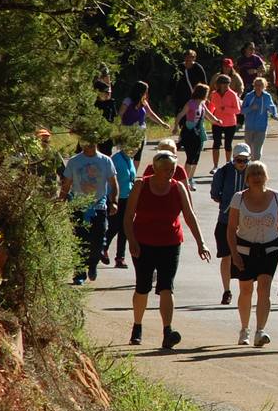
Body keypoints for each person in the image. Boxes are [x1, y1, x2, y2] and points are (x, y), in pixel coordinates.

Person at [123, 150, 210, 349]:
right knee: (142, 286)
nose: (170, 173)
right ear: (155, 169)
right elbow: (128, 217)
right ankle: (137, 327)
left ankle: (167, 331)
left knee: (166, 286)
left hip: (170, 243)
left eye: (172, 169)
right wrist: (132, 242)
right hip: (143, 243)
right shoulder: (141, 185)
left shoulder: (178, 187)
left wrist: (201, 242)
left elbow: (189, 215)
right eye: (166, 169)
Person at [228, 160, 278, 347]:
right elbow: (231, 228)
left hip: (270, 248)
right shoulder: (238, 198)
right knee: (246, 289)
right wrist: (234, 253)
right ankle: (244, 330)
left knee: (264, 287)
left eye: (260, 174)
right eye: (253, 174)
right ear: (247, 178)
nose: (257, 178)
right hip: (244, 249)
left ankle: (260, 330)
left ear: (266, 176)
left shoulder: (277, 197)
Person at [59, 138, 119, 284]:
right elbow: (67, 183)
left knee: (98, 239)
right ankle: (79, 273)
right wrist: (61, 200)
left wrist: (114, 202)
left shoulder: (105, 161)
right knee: (79, 240)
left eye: (91, 141)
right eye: (85, 141)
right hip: (79, 207)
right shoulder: (74, 161)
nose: (89, 144)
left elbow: (113, 183)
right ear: (81, 142)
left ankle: (92, 264)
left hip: (99, 206)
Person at [210, 144, 251, 305]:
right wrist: (228, 206)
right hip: (225, 221)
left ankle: (244, 290)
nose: (242, 163)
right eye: (238, 160)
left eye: (245, 160)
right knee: (226, 256)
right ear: (233, 159)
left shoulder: (252, 170)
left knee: (245, 258)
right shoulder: (223, 172)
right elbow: (215, 194)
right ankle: (227, 291)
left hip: (247, 222)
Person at [103, 132, 140, 269]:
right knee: (114, 226)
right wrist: (111, 199)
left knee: (125, 228)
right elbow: (109, 180)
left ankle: (120, 257)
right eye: (133, 146)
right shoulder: (115, 159)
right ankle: (103, 246)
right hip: (116, 198)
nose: (136, 149)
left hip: (128, 198)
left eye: (137, 146)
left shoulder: (129, 159)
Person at [172, 82, 209, 187]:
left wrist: (217, 120)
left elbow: (208, 115)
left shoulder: (202, 104)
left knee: (196, 157)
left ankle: (190, 179)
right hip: (189, 132)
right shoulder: (191, 103)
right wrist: (175, 127)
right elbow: (180, 114)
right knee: (190, 156)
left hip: (198, 133)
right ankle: (185, 180)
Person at [119, 81, 166, 164]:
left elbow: (151, 114)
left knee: (138, 155)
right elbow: (120, 114)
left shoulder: (143, 102)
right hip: (128, 131)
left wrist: (162, 123)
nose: (147, 93)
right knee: (126, 154)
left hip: (140, 132)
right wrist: (118, 127)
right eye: (146, 90)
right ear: (141, 91)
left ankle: (133, 175)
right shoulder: (128, 101)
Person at [239, 77, 278, 161]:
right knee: (248, 150)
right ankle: (248, 166)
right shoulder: (249, 96)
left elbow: (271, 106)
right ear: (254, 85)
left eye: (260, 85)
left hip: (261, 127)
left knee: (257, 150)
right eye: (256, 85)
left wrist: (274, 114)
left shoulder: (267, 96)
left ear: (264, 86)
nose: (258, 87)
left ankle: (255, 166)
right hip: (249, 127)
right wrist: (251, 108)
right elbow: (242, 111)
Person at [206, 74, 240, 170]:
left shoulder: (232, 94)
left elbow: (237, 110)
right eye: (224, 84)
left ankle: (228, 165)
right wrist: (209, 116)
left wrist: (226, 109)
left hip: (230, 123)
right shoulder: (214, 94)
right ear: (219, 84)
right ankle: (215, 166)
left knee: (227, 145)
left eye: (228, 84)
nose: (226, 86)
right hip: (217, 122)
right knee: (216, 143)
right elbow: (211, 106)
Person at [94, 78, 117, 155]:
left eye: (108, 92)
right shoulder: (93, 104)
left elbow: (115, 117)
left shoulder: (111, 103)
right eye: (105, 92)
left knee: (106, 155)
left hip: (107, 134)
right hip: (94, 133)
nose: (107, 94)